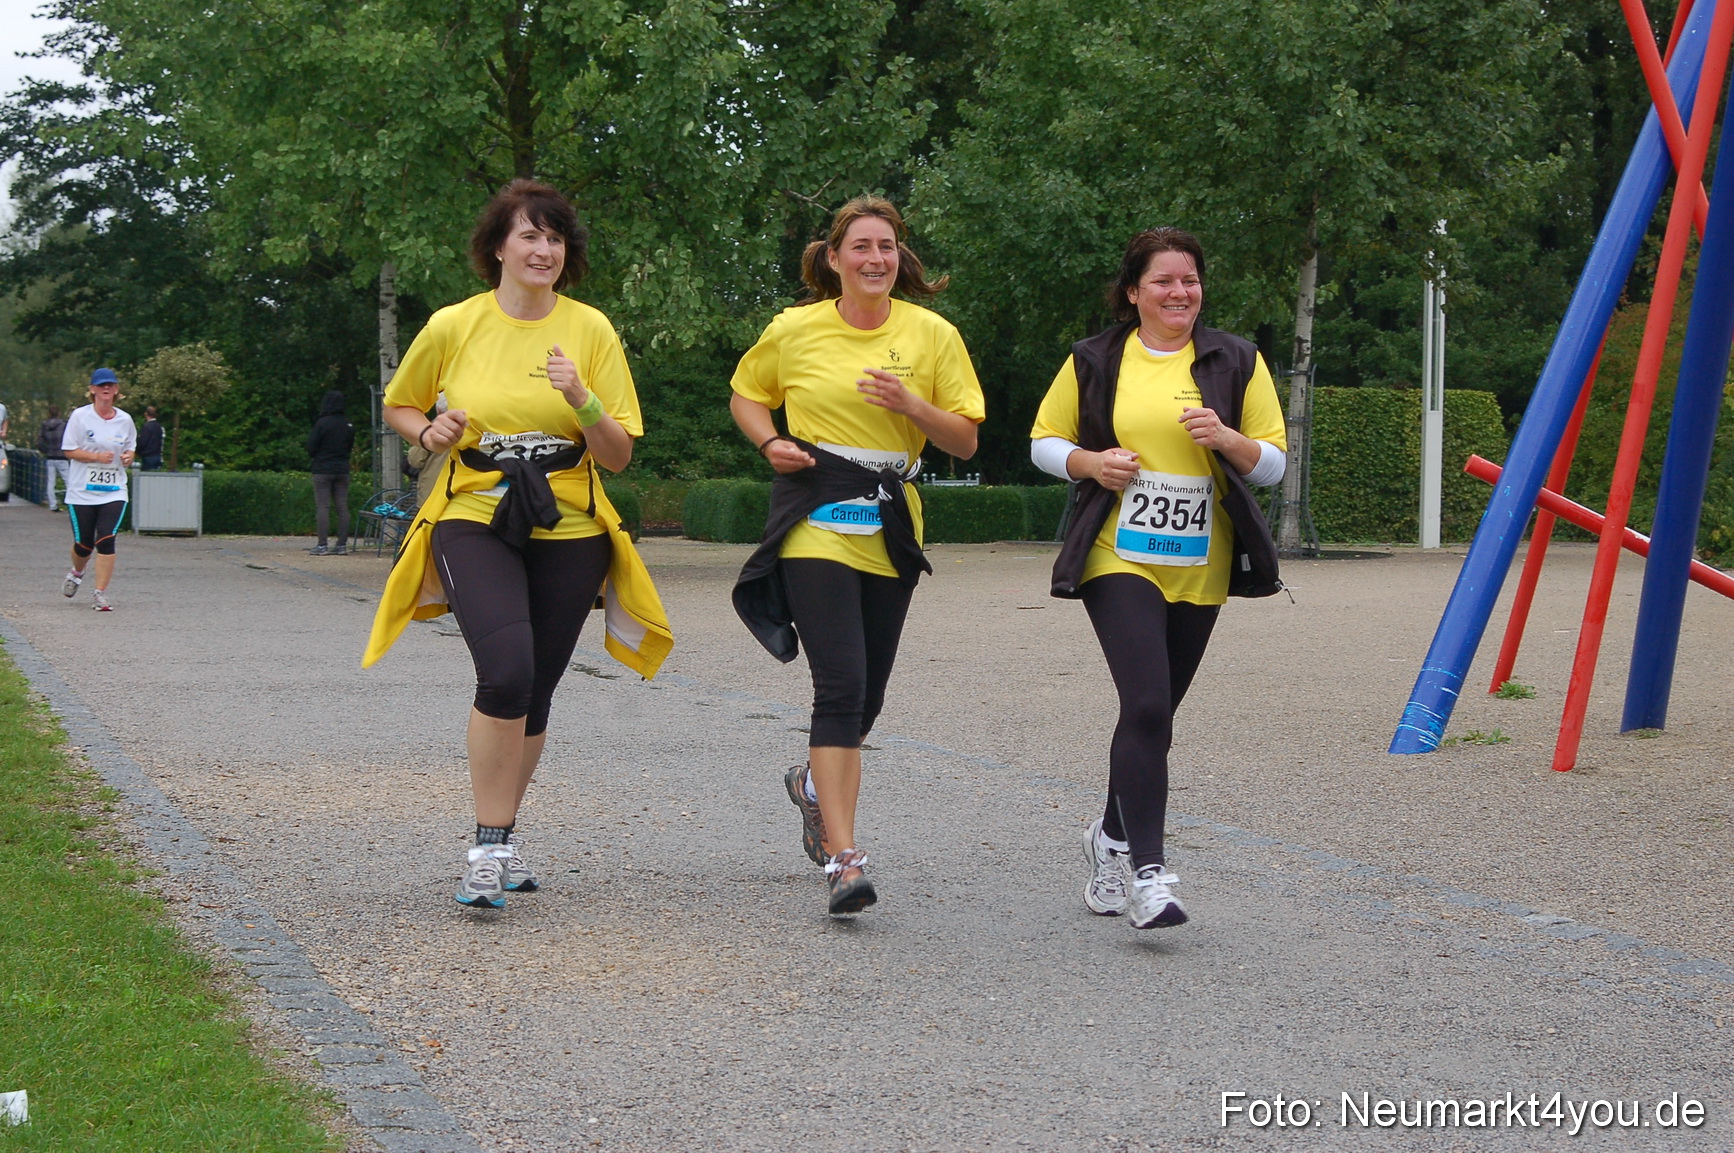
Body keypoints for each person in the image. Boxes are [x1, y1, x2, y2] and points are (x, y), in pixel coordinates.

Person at [362, 179, 672, 911]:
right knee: (505, 671)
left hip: (571, 524)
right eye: (529, 235)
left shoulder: (590, 329)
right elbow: (401, 403)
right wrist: (428, 431)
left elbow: (618, 454)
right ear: (498, 246)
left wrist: (582, 400)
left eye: (555, 237)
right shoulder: (454, 324)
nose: (544, 249)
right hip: (474, 512)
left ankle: (500, 838)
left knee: (535, 687)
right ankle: (487, 848)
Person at [730, 195, 985, 917]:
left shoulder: (933, 334)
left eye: (887, 246)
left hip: (891, 517)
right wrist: (768, 441)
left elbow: (965, 439)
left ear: (901, 258)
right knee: (839, 686)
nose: (876, 258)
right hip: (816, 510)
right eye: (862, 246)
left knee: (867, 697)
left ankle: (811, 785)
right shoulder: (795, 328)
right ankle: (844, 861)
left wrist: (913, 407)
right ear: (834, 257)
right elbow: (747, 395)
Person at [1030, 227, 1286, 930]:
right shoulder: (1095, 357)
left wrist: (1227, 439)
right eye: (1164, 281)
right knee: (1145, 703)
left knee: (1156, 715)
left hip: (1200, 560)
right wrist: (1090, 463)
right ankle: (1149, 873)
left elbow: (1273, 464)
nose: (1180, 293)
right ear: (1133, 291)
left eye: (1190, 280)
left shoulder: (1237, 359)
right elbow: (1044, 441)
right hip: (1118, 551)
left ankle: (1109, 838)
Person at [60, 368, 139, 611]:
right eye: (101, 385)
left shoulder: (125, 420)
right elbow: (69, 450)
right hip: (82, 490)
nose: (106, 389)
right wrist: (95, 457)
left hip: (114, 489)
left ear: (116, 390)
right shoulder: (80, 416)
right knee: (84, 544)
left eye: (110, 385)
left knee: (105, 538)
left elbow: (130, 447)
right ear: (92, 390)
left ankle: (100, 593)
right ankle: (77, 572)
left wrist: (128, 457)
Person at [306, 390, 354, 555]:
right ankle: (341, 545)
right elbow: (349, 446)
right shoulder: (348, 424)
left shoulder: (322, 423)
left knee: (323, 506)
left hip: (323, 468)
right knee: (342, 506)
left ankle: (322, 545)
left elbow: (311, 447)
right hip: (342, 468)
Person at [37, 405, 70, 512]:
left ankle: (53, 505)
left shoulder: (44, 425)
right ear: (59, 413)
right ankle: (71, 503)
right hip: (62, 456)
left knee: (51, 482)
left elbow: (39, 442)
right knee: (68, 481)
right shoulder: (64, 425)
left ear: (49, 414)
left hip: (50, 457)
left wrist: (46, 451)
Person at [136, 405, 164, 471]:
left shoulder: (147, 426)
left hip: (148, 456)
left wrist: (137, 451)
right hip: (157, 455)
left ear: (146, 414)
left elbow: (143, 442)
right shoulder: (159, 426)